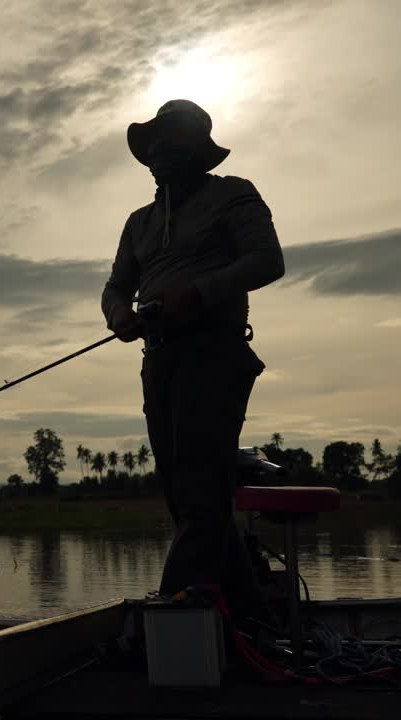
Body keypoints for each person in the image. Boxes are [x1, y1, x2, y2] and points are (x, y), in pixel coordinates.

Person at [101, 99, 285, 621]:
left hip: (214, 351)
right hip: (158, 358)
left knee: (201, 487)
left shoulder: (232, 194)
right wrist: (119, 316)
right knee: (185, 498)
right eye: (153, 147)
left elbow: (267, 260)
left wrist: (197, 294)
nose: (160, 155)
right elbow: (116, 286)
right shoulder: (139, 221)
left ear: (196, 152)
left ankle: (177, 612)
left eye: (171, 145)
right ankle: (250, 618)